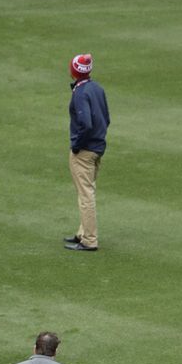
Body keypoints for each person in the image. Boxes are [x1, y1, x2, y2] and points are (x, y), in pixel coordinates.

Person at [64, 54, 110, 253]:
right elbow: (106, 119)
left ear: (73, 71)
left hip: (85, 151)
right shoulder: (97, 89)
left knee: (86, 195)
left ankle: (89, 240)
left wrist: (77, 145)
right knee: (86, 191)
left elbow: (86, 124)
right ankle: (82, 233)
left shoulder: (81, 93)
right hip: (98, 148)